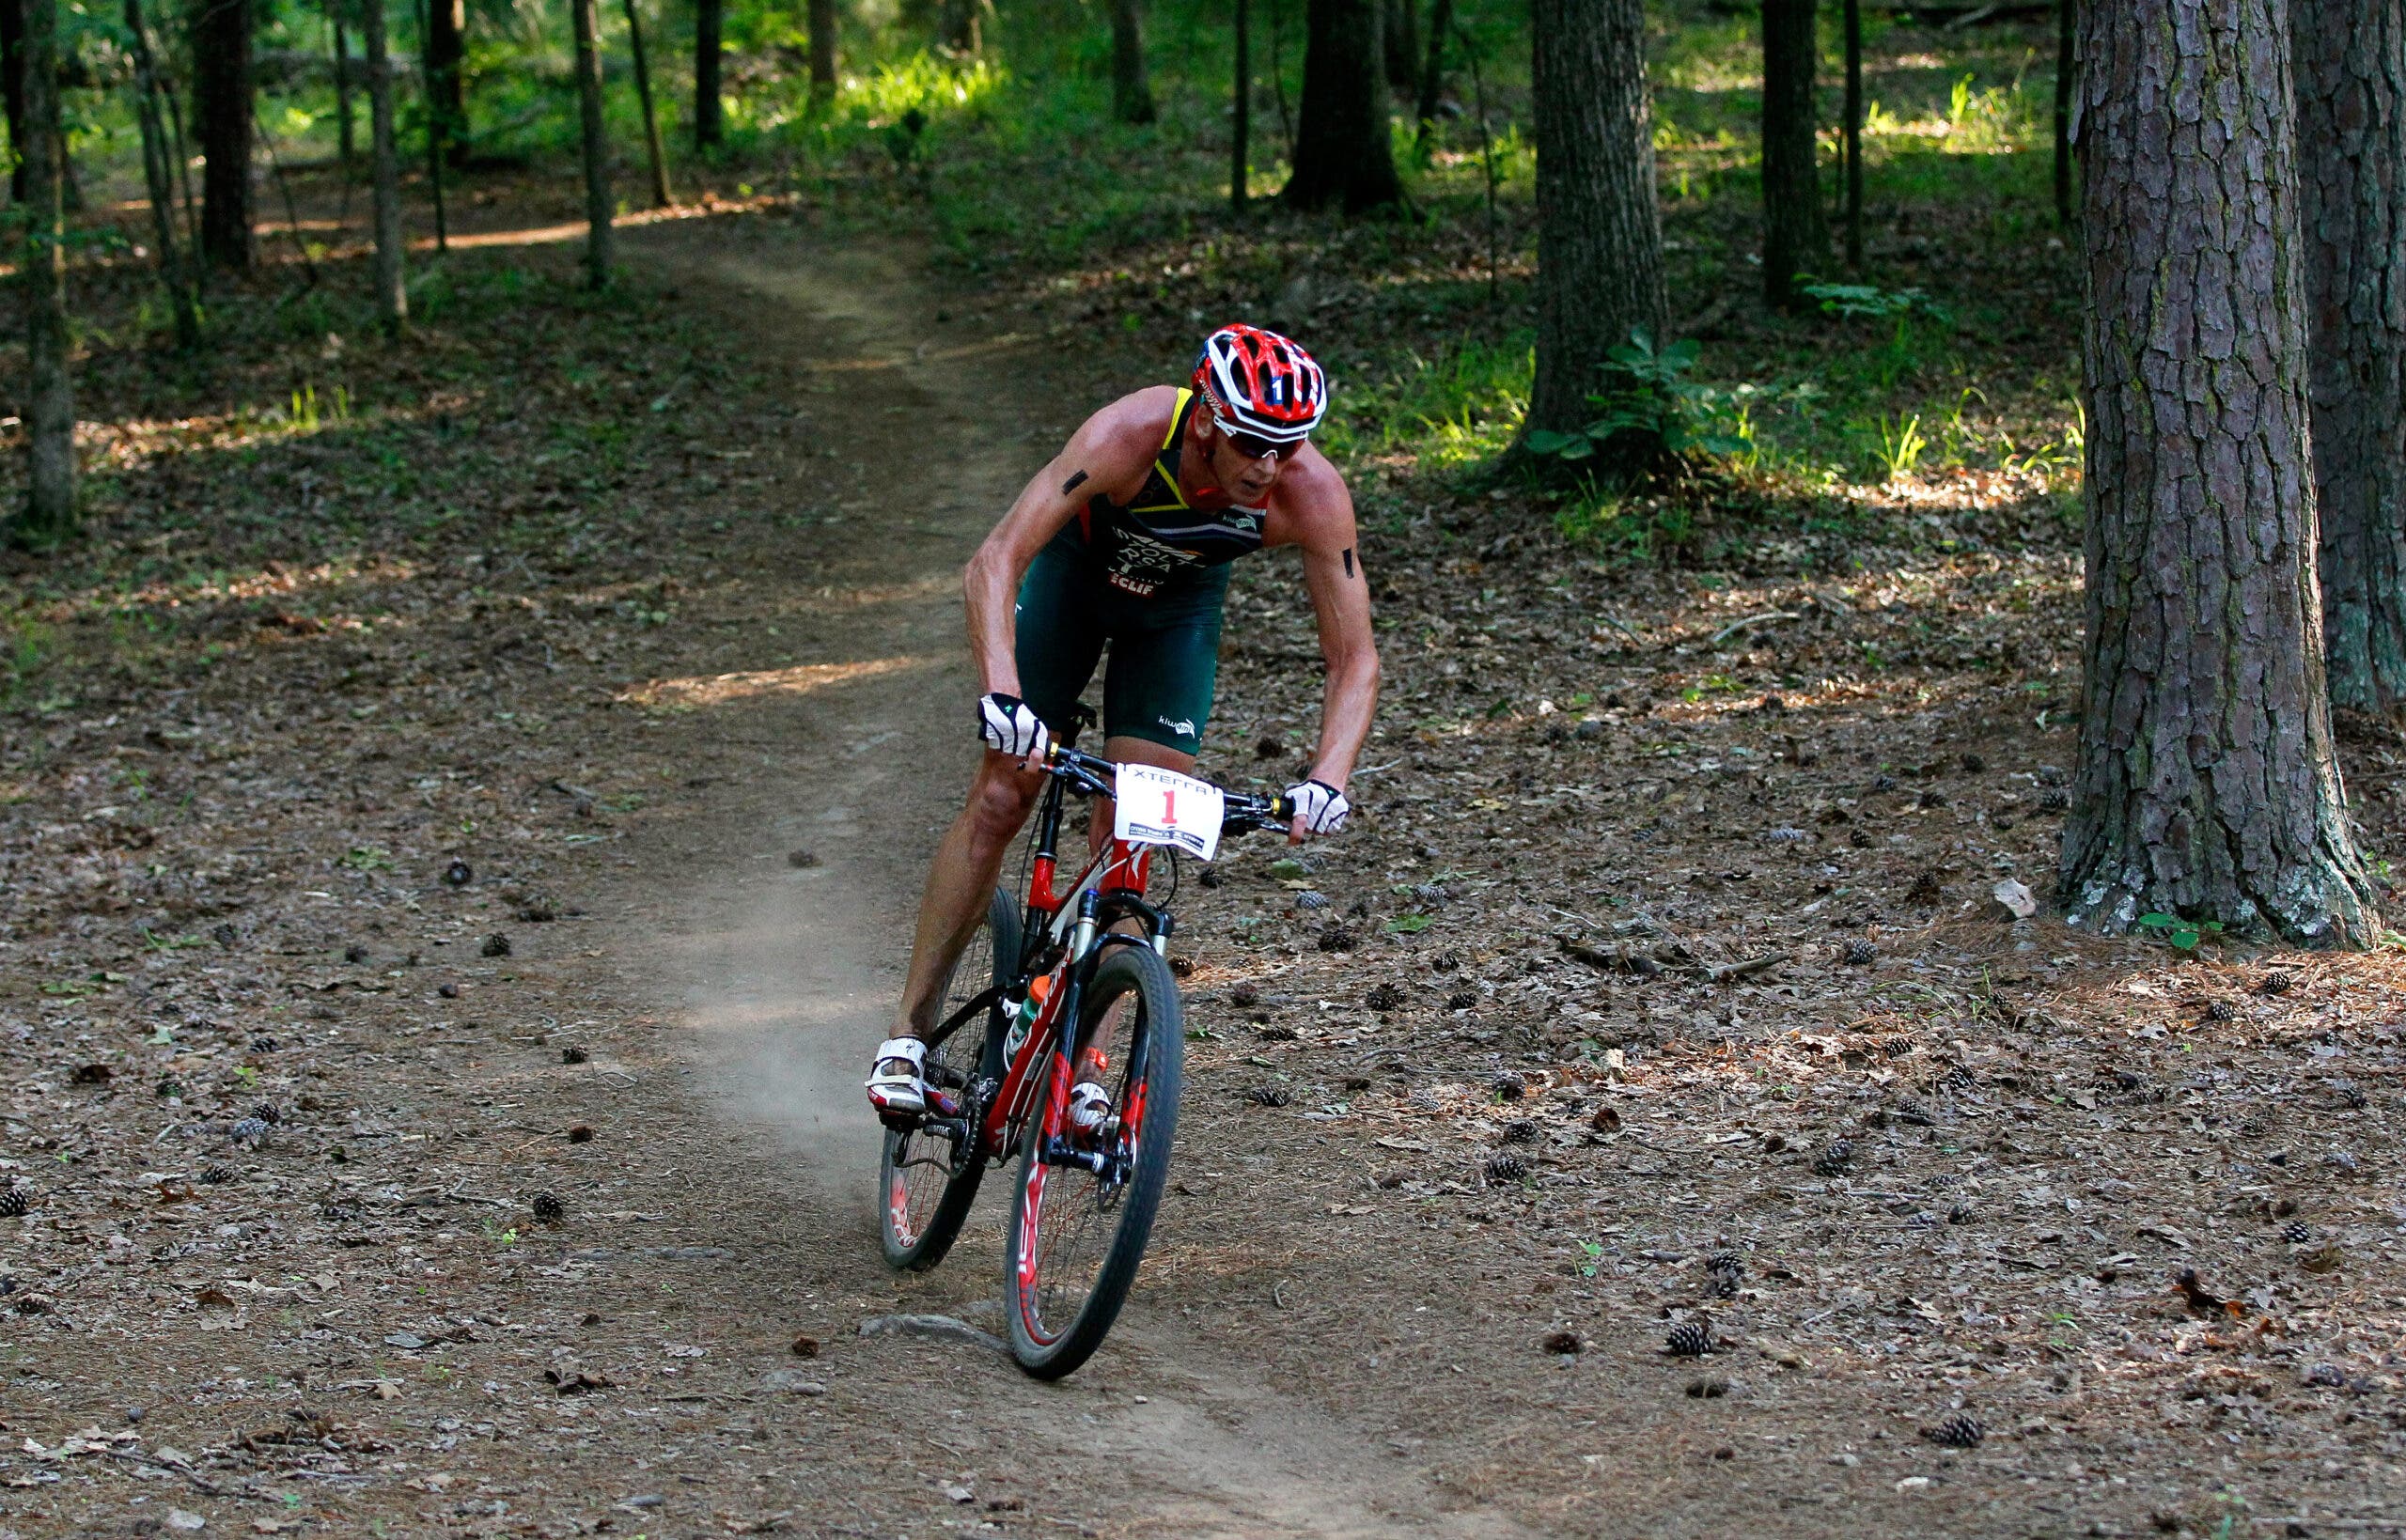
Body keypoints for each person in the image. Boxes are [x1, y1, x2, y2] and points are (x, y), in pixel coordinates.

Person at [865, 324, 1382, 1118]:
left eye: (1291, 445)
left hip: (1174, 616)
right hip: (1074, 585)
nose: (1270, 466)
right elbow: (996, 558)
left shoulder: (1308, 491)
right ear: (1206, 417)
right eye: (1252, 442)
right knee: (1007, 791)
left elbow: (1355, 657)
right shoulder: (1130, 434)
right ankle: (908, 1031)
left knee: (1136, 832)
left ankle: (1087, 1062)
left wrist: (1328, 777)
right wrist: (1003, 695)